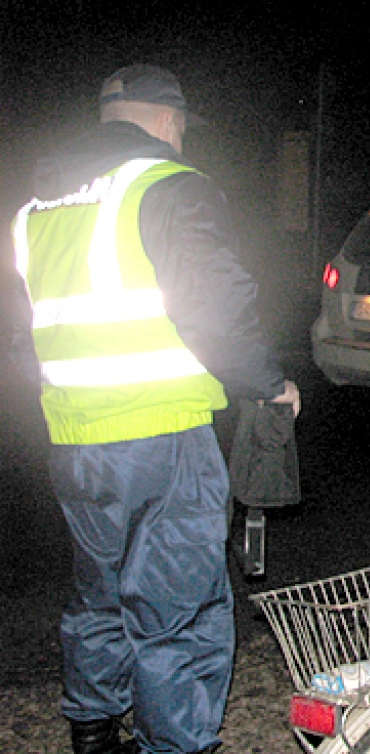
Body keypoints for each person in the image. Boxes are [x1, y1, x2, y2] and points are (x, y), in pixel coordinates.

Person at [6, 64, 300, 754]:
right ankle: (176, 745)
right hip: (164, 435)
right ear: (168, 120)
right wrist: (268, 382)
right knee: (181, 608)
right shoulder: (171, 188)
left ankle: (93, 731)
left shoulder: (36, 209)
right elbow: (218, 312)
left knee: (99, 591)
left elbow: (20, 333)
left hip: (76, 438)